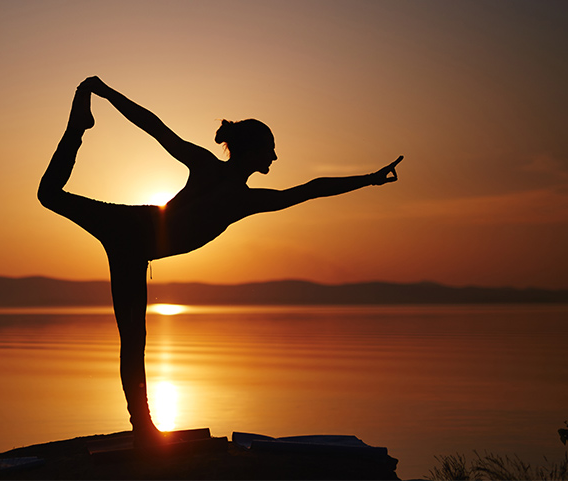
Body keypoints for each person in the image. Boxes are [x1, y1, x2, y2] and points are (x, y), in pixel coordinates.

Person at [38, 76, 402, 447]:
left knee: (131, 334)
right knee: (132, 338)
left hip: (130, 239)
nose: (275, 158)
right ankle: (144, 429)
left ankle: (143, 428)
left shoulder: (224, 180)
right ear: (253, 151)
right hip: (132, 232)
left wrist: (367, 179)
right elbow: (154, 126)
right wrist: (104, 92)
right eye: (271, 150)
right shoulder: (233, 190)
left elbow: (311, 188)